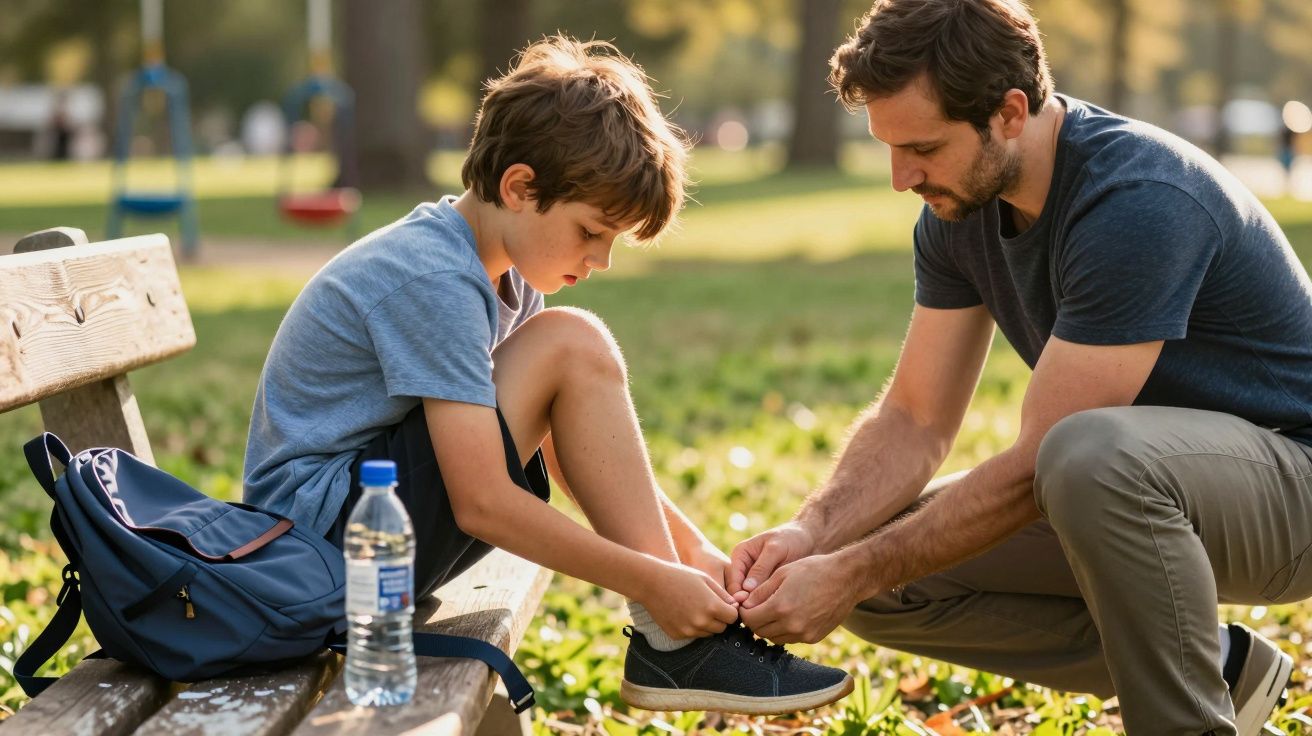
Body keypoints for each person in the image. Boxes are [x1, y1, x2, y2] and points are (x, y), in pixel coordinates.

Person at [725, 1, 1312, 733]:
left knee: (1085, 452)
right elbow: (914, 417)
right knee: (870, 565)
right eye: (889, 148)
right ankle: (1222, 669)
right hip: (1155, 493)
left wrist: (849, 569)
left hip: (1293, 490)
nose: (900, 177)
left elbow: (1043, 459)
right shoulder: (958, 208)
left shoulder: (1137, 199)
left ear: (1008, 112)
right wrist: (813, 539)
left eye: (924, 148)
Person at [242, 36, 851, 715]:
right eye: (592, 231)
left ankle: (674, 642)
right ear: (520, 187)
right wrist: (655, 583)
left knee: (568, 340)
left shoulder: (496, 269)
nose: (602, 259)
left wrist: (696, 557)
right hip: (320, 559)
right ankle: (673, 646)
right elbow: (481, 502)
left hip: (359, 544)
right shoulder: (435, 278)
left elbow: (567, 448)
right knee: (573, 341)